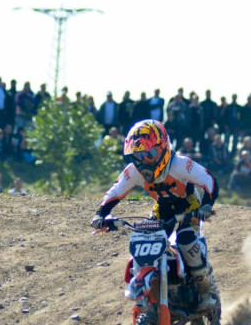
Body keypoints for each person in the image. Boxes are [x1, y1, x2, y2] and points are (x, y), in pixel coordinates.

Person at [91, 119, 219, 310]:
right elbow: (116, 192)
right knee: (147, 241)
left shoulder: (180, 164)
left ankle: (206, 290)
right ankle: (157, 285)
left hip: (189, 206)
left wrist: (206, 206)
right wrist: (101, 214)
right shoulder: (134, 171)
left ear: (163, 148)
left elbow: (209, 181)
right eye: (138, 155)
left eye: (149, 153)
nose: (143, 160)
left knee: (186, 240)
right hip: (163, 207)